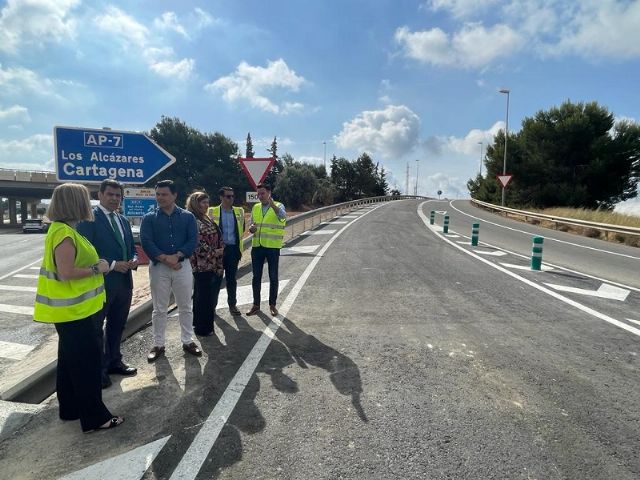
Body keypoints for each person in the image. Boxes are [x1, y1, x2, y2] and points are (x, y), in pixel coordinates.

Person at [33, 183, 124, 433]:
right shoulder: (64, 233)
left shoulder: (63, 229)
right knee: (87, 365)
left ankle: (70, 409)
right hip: (76, 312)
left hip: (73, 311)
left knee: (69, 362)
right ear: (76, 203)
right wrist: (99, 268)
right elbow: (66, 273)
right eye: (85, 199)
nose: (89, 204)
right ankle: (96, 418)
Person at [78, 179, 138, 389]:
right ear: (100, 196)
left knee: (117, 324)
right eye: (110, 194)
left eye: (118, 195)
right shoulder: (89, 220)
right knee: (96, 328)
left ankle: (114, 361)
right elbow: (86, 251)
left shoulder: (123, 220)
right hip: (101, 283)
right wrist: (113, 265)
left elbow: (130, 246)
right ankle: (99, 370)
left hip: (124, 282)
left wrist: (133, 259)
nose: (114, 198)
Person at [140, 180, 202, 362]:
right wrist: (166, 259)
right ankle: (158, 344)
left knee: (185, 305)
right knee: (159, 308)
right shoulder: (149, 218)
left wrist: (178, 256)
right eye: (158, 194)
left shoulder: (188, 217)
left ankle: (188, 341)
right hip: (159, 267)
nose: (160, 198)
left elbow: (193, 240)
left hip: (182, 266)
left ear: (174, 195)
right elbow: (146, 242)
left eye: (164, 194)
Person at [186, 191, 224, 336]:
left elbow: (217, 235)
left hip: (212, 264)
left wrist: (219, 251)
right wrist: (215, 252)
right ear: (195, 204)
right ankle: (203, 328)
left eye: (207, 202)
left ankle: (200, 323)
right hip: (201, 264)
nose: (206, 205)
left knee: (203, 295)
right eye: (203, 202)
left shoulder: (206, 218)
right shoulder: (193, 220)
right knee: (204, 297)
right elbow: (197, 242)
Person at [247, 183, 286, 317]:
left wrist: (272, 204)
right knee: (256, 277)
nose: (260, 196)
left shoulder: (279, 205)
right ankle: (256, 305)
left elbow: (282, 216)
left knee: (273, 276)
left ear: (269, 193)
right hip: (257, 246)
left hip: (272, 247)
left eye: (262, 193)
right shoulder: (256, 207)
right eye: (258, 194)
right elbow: (251, 224)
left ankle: (272, 305)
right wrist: (251, 228)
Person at [207, 187, 245, 316]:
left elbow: (242, 228)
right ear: (221, 197)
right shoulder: (212, 211)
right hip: (218, 251)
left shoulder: (239, 211)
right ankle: (212, 306)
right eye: (228, 196)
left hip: (233, 249)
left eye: (232, 196)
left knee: (231, 279)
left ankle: (232, 305)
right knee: (216, 279)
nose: (231, 199)